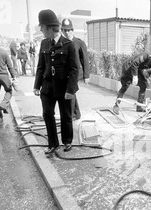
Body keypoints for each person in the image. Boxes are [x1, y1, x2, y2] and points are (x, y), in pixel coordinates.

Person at [33, 9, 79, 155]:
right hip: (47, 87)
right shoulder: (44, 43)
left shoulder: (69, 45)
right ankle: (53, 143)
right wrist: (36, 85)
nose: (41, 30)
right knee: (47, 114)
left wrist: (70, 90)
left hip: (64, 87)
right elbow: (41, 66)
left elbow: (74, 69)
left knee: (66, 115)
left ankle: (67, 141)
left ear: (49, 27)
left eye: (42, 27)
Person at [61, 18, 90, 121]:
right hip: (65, 73)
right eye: (65, 30)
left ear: (72, 30)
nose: (67, 32)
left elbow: (85, 59)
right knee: (71, 92)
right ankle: (76, 114)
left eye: (69, 30)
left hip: (75, 73)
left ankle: (71, 116)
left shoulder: (78, 42)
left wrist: (86, 76)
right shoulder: (62, 43)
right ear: (62, 31)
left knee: (70, 92)